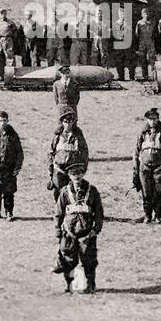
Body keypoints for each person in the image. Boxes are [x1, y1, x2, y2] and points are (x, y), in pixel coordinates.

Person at [52, 160, 104, 294]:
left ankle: (90, 284)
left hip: (87, 234)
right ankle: (69, 286)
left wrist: (95, 230)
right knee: (68, 260)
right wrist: (58, 231)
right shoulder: (64, 192)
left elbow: (99, 212)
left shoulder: (92, 191)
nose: (77, 176)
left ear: (84, 173)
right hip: (69, 233)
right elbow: (58, 213)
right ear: (69, 175)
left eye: (79, 173)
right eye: (73, 174)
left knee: (89, 260)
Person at [133, 107, 161, 223]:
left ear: (158, 119)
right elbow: (136, 152)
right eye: (150, 119)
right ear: (147, 120)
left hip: (159, 167)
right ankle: (147, 215)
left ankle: (158, 215)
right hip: (144, 167)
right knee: (146, 192)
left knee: (158, 191)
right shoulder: (142, 133)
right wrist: (135, 169)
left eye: (155, 119)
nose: (152, 121)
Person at [0, 109, 24, 221]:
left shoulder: (13, 135)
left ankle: (9, 213)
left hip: (9, 169)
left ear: (8, 121)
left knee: (9, 192)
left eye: (4, 120)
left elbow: (19, 153)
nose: (2, 123)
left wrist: (17, 168)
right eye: (0, 120)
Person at [47, 108, 89, 194]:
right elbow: (51, 154)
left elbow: (84, 153)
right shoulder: (57, 136)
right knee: (59, 198)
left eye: (71, 121)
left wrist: (82, 171)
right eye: (66, 122)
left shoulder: (78, 136)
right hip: (59, 171)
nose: (68, 124)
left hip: (73, 172)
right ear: (62, 122)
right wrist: (51, 174)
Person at [134, 7, 156, 81]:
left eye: (147, 13)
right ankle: (145, 75)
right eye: (144, 14)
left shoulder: (152, 23)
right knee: (142, 59)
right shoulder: (139, 23)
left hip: (150, 42)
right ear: (142, 15)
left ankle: (154, 74)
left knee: (152, 58)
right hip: (142, 42)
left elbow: (155, 34)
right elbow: (136, 34)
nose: (145, 15)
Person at [0, 9, 17, 78]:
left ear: (6, 14)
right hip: (0, 40)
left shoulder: (10, 22)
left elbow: (15, 31)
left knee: (9, 56)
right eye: (1, 14)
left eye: (4, 13)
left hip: (8, 39)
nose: (3, 15)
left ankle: (11, 74)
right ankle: (2, 75)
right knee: (0, 57)